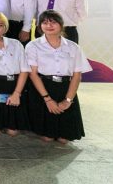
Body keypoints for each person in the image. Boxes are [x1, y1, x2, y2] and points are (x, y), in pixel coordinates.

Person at [25, 10, 91, 143]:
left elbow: (77, 76)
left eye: (53, 22)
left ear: (61, 25)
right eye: (44, 22)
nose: (48, 25)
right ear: (39, 26)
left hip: (65, 88)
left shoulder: (73, 47)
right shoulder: (33, 46)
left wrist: (68, 100)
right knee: (47, 137)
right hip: (43, 88)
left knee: (64, 139)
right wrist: (47, 99)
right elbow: (33, 74)